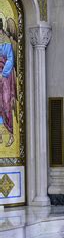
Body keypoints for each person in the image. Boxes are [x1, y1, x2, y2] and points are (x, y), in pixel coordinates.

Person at [0, 17, 16, 147]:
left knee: (6, 103)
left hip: (5, 76)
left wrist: (3, 74)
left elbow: (10, 59)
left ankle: (11, 134)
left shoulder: (6, 40)